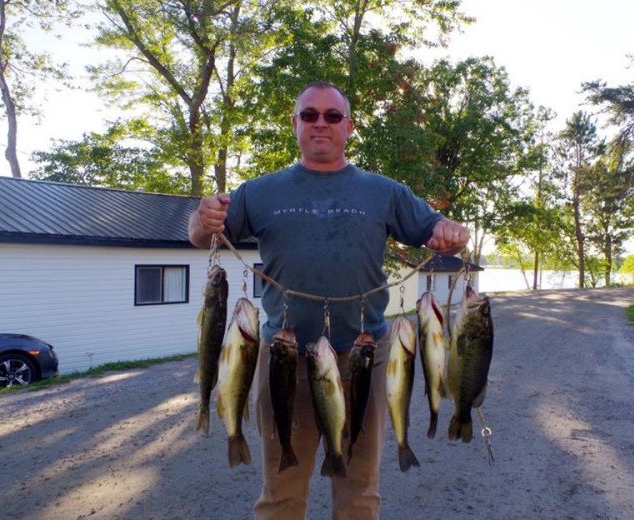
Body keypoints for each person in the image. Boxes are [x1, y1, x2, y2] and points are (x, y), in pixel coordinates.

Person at [188, 81, 468, 520]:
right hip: (285, 360)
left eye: (332, 116)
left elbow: (434, 228)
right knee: (281, 492)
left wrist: (451, 231)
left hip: (364, 359)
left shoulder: (384, 192)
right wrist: (203, 219)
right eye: (310, 115)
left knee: (359, 492)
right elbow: (202, 235)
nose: (321, 123)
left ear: (349, 126)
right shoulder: (259, 192)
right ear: (295, 124)